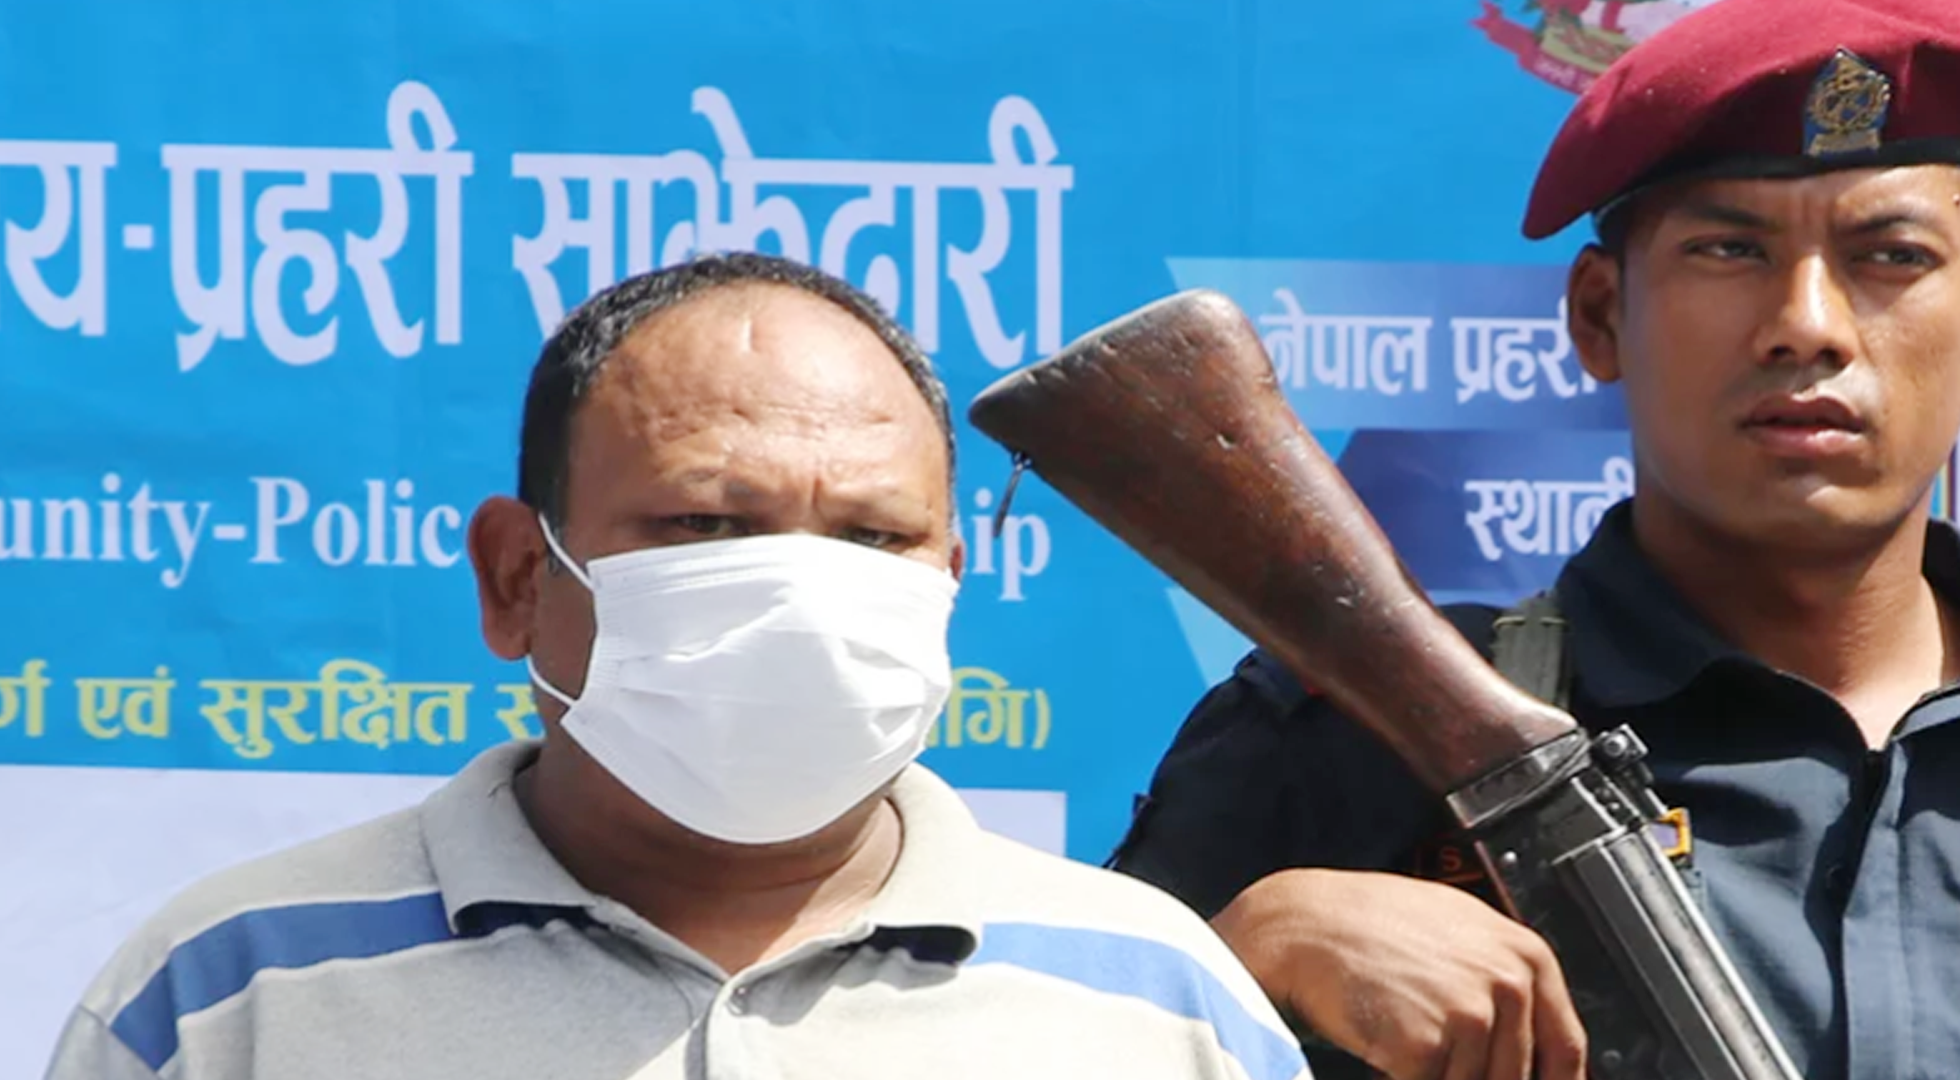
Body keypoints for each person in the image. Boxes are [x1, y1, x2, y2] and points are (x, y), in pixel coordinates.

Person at [44, 253, 1311, 1080]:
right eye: (707, 524)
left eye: (874, 537)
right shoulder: (234, 994)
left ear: (950, 577)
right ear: (518, 578)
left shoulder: (1156, 1004)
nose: (803, 592)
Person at [1109, 2, 1960, 1079]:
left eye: (1891, 255)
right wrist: (1240, 957)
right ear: (1598, 317)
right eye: (1730, 249)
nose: (1808, 324)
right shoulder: (1361, 740)